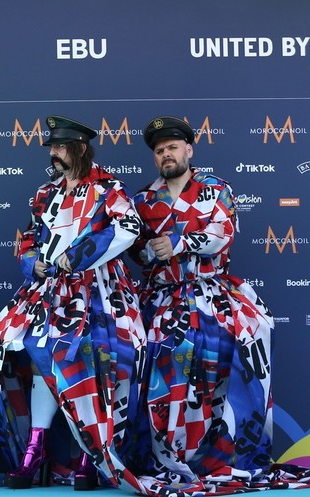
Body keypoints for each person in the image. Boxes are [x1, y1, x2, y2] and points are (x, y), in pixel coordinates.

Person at [0, 116, 147, 491]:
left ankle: (93, 457)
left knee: (94, 365)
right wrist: (32, 262)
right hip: (49, 291)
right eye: (52, 148)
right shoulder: (45, 192)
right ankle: (35, 449)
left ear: (80, 148)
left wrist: (79, 256)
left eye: (60, 148)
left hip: (101, 293)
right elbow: (28, 237)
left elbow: (129, 228)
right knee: (42, 357)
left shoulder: (110, 188)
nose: (54, 154)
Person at [130, 117, 277, 493]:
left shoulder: (217, 189)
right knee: (165, 365)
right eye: (159, 150)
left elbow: (222, 232)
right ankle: (169, 457)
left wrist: (176, 242)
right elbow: (134, 252)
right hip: (163, 299)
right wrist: (149, 248)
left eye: (172, 147)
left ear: (189, 150)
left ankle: (228, 456)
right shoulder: (143, 199)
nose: (166, 154)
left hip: (213, 292)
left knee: (239, 351)